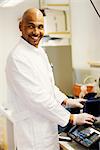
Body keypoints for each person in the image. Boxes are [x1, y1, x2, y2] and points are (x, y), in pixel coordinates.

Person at [5, 8, 95, 150]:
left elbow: (47, 86)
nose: (36, 32)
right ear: (20, 26)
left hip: (47, 130)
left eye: (40, 27)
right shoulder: (17, 57)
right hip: (33, 136)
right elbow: (38, 98)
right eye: (31, 26)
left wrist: (66, 100)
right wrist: (72, 118)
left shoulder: (39, 51)